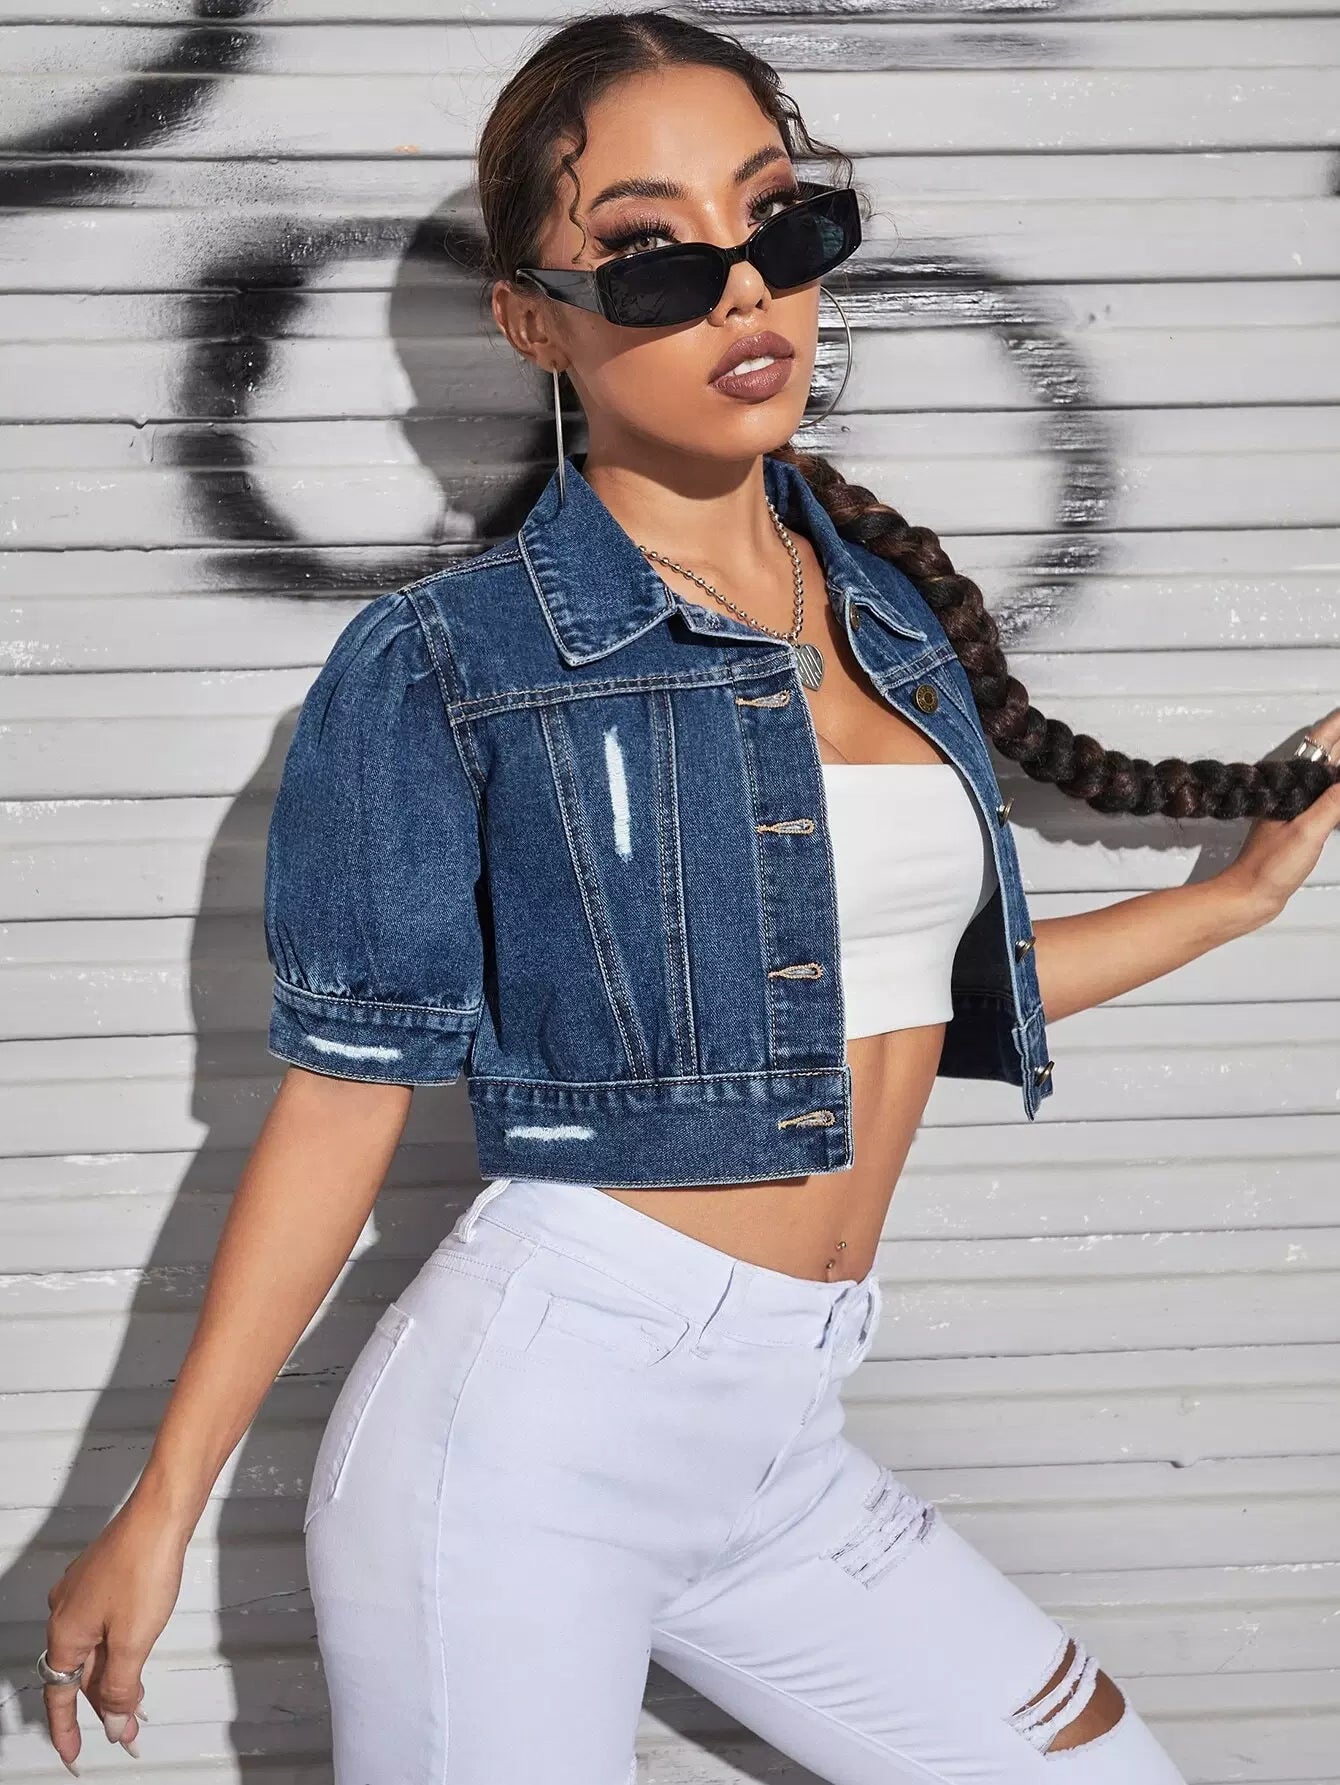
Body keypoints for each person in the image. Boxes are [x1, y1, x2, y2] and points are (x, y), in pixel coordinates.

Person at [39, 10, 1339, 1782]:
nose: (743, 293)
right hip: (525, 1453)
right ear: (534, 320)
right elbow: (343, 1098)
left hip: (780, 1442)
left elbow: (886, 982)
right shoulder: (449, 663)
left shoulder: (885, 611)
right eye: (652, 255)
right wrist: (161, 1499)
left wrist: (1239, 902)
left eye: (777, 223)